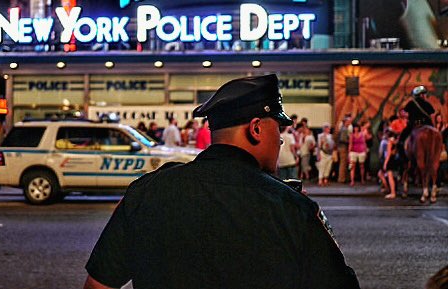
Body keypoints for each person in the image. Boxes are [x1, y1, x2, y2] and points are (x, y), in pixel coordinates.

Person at [84, 74, 360, 289]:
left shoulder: (146, 194)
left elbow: (99, 283)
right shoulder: (292, 208)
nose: (280, 139)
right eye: (278, 129)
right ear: (255, 129)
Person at [383, 131, 400, 199]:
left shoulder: (390, 142)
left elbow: (388, 154)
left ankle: (393, 193)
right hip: (396, 160)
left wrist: (385, 163)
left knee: (390, 177)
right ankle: (393, 191)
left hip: (391, 160)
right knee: (394, 177)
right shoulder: (396, 142)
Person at [336, 115, 352, 183]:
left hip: (341, 147)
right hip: (343, 148)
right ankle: (341, 178)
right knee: (343, 163)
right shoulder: (344, 129)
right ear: (346, 122)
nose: (349, 123)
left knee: (343, 163)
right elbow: (342, 139)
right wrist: (349, 141)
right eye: (349, 122)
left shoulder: (343, 128)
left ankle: (343, 177)